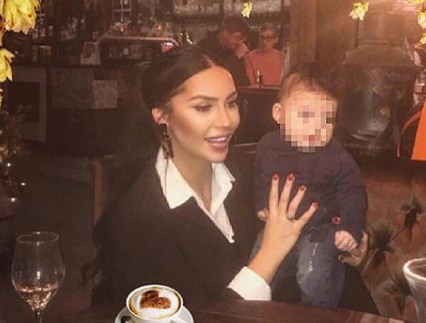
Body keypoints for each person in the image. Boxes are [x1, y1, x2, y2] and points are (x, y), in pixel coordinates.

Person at [94, 47, 318, 305]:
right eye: (203, 107)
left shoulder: (245, 170)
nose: (226, 121)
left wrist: (343, 240)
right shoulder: (138, 220)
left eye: (231, 103)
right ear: (162, 116)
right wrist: (269, 256)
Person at [252, 64, 368, 307]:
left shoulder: (336, 156)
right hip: (279, 225)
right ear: (278, 114)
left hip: (321, 228)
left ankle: (318, 319)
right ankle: (256, 317)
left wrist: (350, 229)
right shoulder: (267, 147)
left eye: (327, 119)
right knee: (256, 274)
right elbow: (262, 177)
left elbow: (354, 193)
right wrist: (262, 204)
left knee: (312, 275)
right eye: (305, 116)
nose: (316, 127)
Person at [197, 15, 250, 86]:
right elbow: (215, 75)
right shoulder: (205, 47)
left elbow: (243, 81)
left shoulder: (235, 49)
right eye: (237, 38)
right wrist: (235, 57)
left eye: (242, 40)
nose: (240, 43)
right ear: (225, 32)